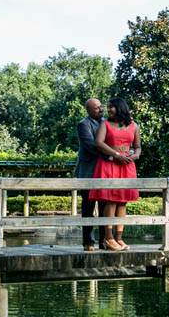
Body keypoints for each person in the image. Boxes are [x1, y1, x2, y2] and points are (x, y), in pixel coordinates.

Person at [89, 97, 141, 251]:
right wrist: (116, 155)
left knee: (123, 201)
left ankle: (119, 238)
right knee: (110, 200)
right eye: (108, 107)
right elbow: (98, 143)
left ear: (121, 108)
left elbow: (137, 147)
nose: (108, 109)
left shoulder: (134, 126)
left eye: (112, 107)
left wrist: (136, 155)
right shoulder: (104, 124)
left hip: (127, 164)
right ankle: (108, 237)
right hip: (110, 163)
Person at [75, 98, 107, 251]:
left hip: (104, 171)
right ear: (88, 110)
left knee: (105, 206)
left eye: (101, 107)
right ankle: (88, 242)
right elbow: (90, 145)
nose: (100, 109)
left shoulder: (106, 123)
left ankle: (105, 241)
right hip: (88, 170)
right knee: (88, 207)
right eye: (96, 108)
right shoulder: (83, 124)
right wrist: (111, 155)